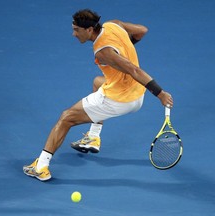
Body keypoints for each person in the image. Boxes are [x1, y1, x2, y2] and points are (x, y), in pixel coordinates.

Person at [23, 9, 173, 181]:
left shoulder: (103, 52)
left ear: (89, 30)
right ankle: (93, 137)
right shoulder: (113, 25)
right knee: (97, 82)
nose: (73, 34)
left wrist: (160, 93)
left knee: (66, 118)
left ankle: (41, 166)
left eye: (76, 30)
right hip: (137, 93)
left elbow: (133, 69)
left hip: (119, 100)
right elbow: (141, 31)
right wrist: (123, 51)